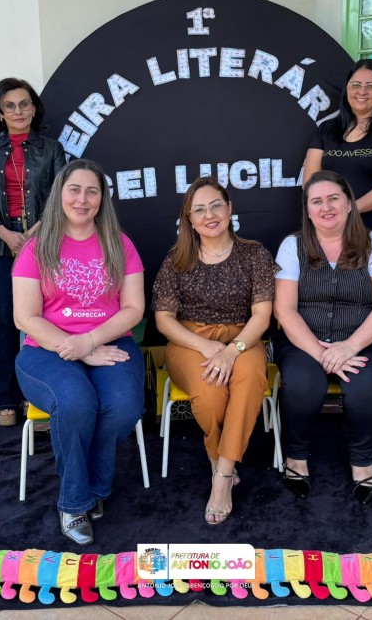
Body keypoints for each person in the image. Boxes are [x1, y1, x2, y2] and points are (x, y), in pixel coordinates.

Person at [12, 158, 145, 546]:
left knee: (123, 406)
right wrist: (79, 349)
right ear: (60, 194)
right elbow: (25, 317)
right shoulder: (37, 247)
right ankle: (73, 502)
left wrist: (91, 341)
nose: (82, 199)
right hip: (46, 349)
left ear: (102, 199)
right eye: (74, 190)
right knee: (75, 402)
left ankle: (95, 488)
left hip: (110, 341)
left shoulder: (120, 244)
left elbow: (133, 308)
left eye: (92, 191)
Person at [273, 170, 372, 504]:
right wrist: (321, 354)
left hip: (361, 340)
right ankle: (295, 457)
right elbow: (284, 310)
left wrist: (349, 347)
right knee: (302, 384)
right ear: (308, 209)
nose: (326, 207)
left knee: (367, 386)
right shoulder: (292, 246)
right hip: (304, 342)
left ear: (349, 204)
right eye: (317, 201)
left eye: (333, 199)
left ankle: (363, 462)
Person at [153, 177, 274, 525]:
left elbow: (262, 315)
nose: (210, 215)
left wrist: (232, 350)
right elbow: (163, 320)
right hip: (190, 341)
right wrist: (207, 346)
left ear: (230, 209)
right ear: (190, 220)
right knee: (209, 394)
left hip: (243, 338)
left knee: (249, 381)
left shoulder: (255, 254)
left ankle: (221, 474)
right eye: (200, 210)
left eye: (216, 205)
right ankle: (220, 458)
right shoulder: (176, 260)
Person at [303, 58, 372, 394]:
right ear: (347, 89)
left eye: (370, 85)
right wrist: (331, 215)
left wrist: (349, 211)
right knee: (336, 301)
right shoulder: (328, 129)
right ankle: (336, 368)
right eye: (356, 84)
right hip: (333, 234)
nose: (362, 91)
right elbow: (310, 181)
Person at [0, 77, 66, 427]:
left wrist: (33, 235)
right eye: (9, 106)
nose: (18, 111)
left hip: (43, 241)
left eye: (24, 104)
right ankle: (3, 396)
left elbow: (61, 195)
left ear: (34, 107)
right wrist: (4, 232)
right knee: (6, 320)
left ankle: (38, 393)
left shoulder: (52, 149)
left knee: (44, 318)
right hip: (1, 242)